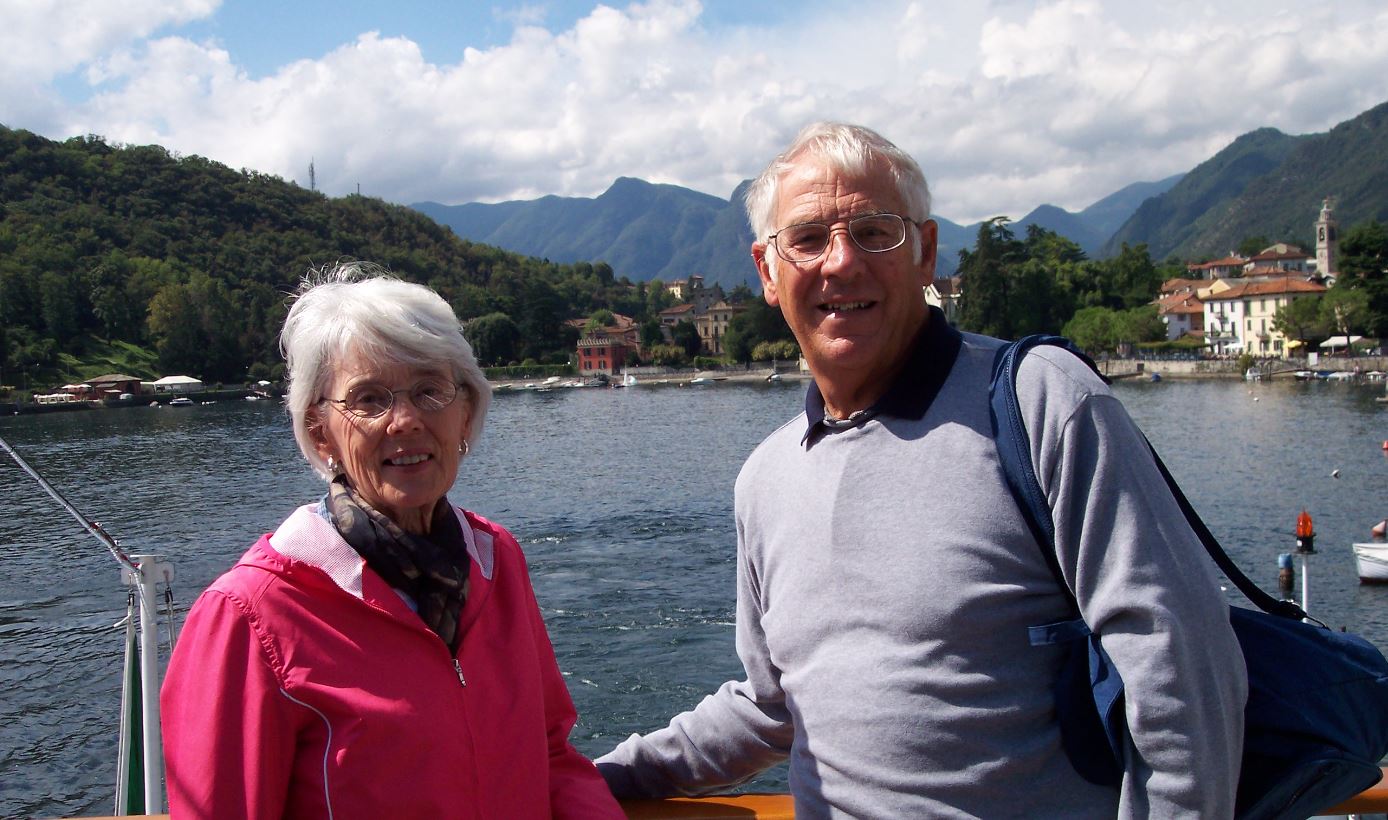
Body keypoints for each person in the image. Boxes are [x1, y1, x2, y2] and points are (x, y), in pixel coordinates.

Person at [596, 123, 1248, 817]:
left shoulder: (1042, 403)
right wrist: (590, 778)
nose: (841, 263)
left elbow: (1183, 677)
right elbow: (772, 704)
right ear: (767, 270)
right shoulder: (765, 478)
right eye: (809, 238)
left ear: (926, 253)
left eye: (875, 233)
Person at [161, 263, 623, 819]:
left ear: (466, 410)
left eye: (430, 390)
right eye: (369, 399)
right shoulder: (249, 616)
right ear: (319, 431)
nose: (404, 420)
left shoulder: (497, 561)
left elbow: (550, 758)